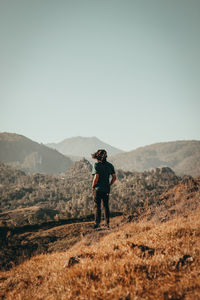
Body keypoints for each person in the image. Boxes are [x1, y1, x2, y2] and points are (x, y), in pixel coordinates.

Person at [91, 149, 116, 229]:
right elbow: (114, 177)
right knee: (106, 206)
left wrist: (93, 186)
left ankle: (97, 223)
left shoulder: (96, 165)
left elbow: (96, 177)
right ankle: (107, 223)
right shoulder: (110, 165)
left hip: (97, 189)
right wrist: (109, 184)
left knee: (97, 206)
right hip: (106, 189)